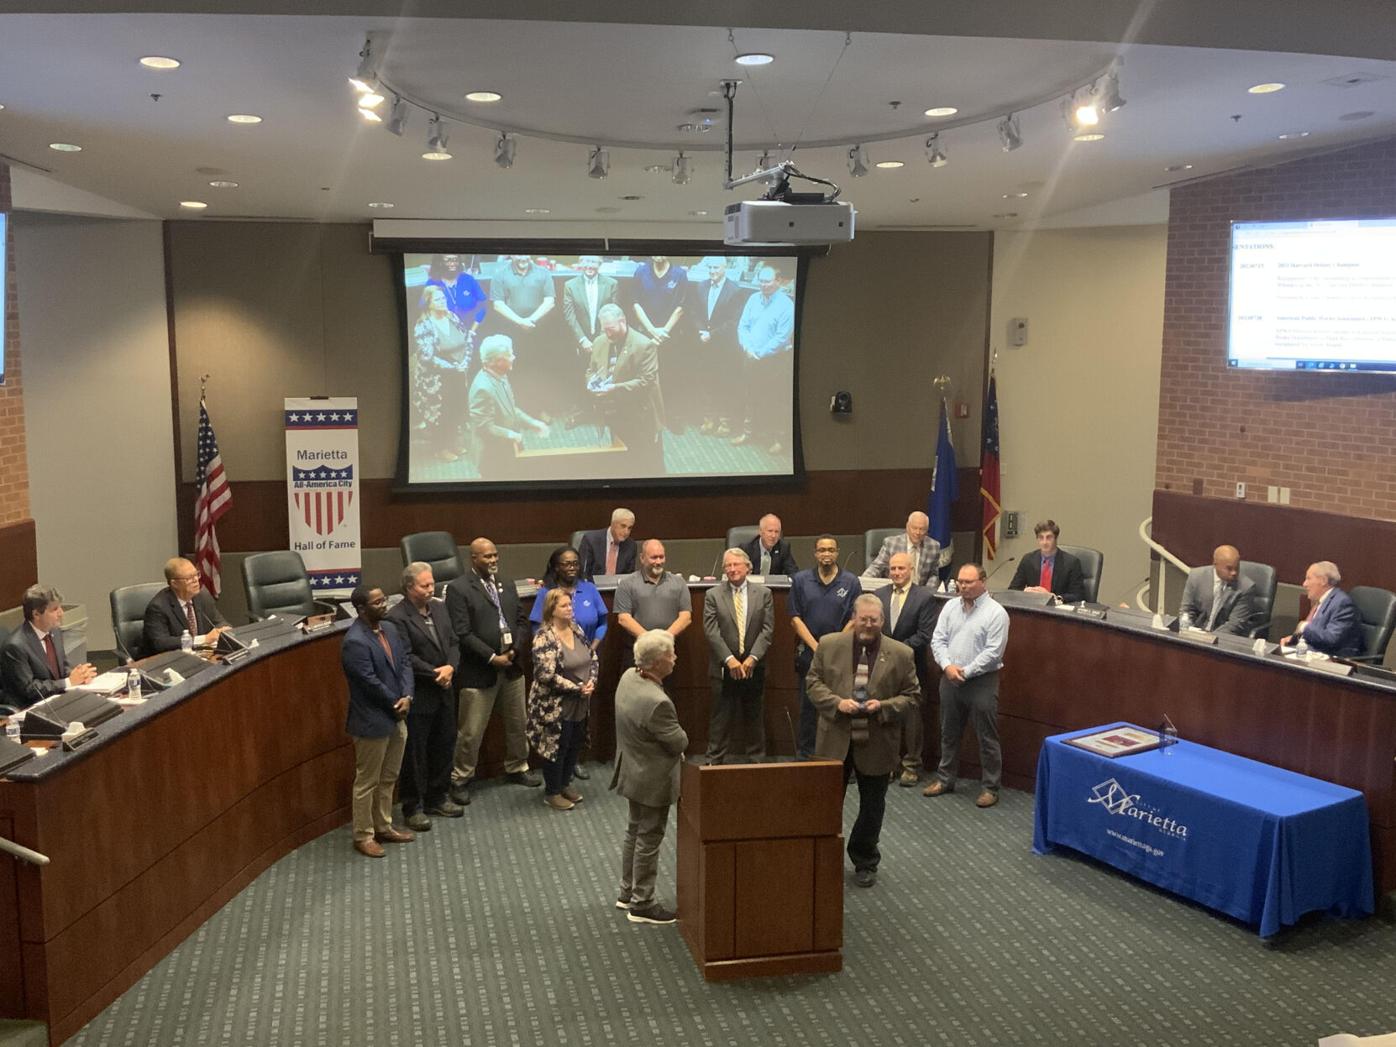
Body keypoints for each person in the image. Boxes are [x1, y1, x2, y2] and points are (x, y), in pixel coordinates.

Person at [806, 594, 920, 888]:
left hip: (877, 741)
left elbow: (912, 697)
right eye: (863, 619)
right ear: (854, 618)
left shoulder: (902, 653)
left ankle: (865, 859)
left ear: (882, 621)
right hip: (835, 740)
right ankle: (825, 858)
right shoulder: (829, 645)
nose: (868, 625)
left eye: (874, 620)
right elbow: (813, 683)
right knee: (826, 804)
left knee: (873, 806)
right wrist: (835, 703)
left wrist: (882, 707)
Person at [444, 537, 541, 805]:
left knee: (517, 723)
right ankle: (461, 778)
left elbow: (521, 621)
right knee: (471, 730)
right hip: (478, 671)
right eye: (487, 557)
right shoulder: (459, 589)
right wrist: (491, 657)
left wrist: (514, 651)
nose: (493, 560)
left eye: (495, 555)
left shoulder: (506, 584)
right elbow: (461, 632)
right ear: (473, 558)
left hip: (510, 667)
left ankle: (517, 766)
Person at [611, 628, 688, 924]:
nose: (675, 658)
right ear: (656, 663)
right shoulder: (658, 703)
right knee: (649, 837)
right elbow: (679, 742)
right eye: (670, 654)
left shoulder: (629, 677)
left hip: (632, 769)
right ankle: (642, 904)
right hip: (652, 778)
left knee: (634, 830)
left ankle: (627, 892)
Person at [387, 562, 464, 832]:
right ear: (409, 587)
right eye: (425, 585)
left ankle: (437, 797)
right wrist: (435, 673)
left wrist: (451, 667)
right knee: (416, 752)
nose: (431, 589)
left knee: (444, 743)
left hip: (445, 688)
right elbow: (405, 656)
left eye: (432, 584)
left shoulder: (441, 608)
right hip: (421, 693)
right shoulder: (396, 617)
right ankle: (413, 806)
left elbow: (454, 642)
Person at [926, 562, 1011, 808]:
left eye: (968, 582)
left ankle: (990, 787)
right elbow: (938, 640)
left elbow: (993, 653)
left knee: (987, 736)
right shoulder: (950, 607)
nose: (961, 586)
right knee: (948, 732)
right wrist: (947, 666)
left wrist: (965, 671)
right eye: (959, 582)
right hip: (950, 678)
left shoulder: (996, 613)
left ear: (982, 582)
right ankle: (945, 779)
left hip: (982, 681)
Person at [340, 585, 415, 858]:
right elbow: (368, 682)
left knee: (389, 776)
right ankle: (363, 835)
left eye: (384, 599)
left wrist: (407, 695)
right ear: (361, 609)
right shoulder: (354, 641)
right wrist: (397, 702)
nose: (384, 605)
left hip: (398, 713)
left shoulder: (390, 629)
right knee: (367, 781)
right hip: (372, 719)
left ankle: (384, 825)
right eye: (378, 602)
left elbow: (405, 662)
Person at [529, 543, 608, 779]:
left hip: (583, 669)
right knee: (559, 736)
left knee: (577, 731)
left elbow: (603, 621)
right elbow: (537, 628)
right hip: (559, 673)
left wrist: (592, 648)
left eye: (575, 563)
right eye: (566, 563)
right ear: (556, 567)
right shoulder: (547, 593)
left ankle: (571, 768)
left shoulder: (589, 589)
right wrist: (557, 652)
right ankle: (556, 784)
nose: (572, 567)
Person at [789, 535, 862, 759]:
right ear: (815, 554)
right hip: (809, 654)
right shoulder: (801, 580)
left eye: (831, 550)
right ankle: (806, 756)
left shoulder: (851, 582)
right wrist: (817, 647)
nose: (826, 554)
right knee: (808, 707)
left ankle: (838, 758)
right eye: (822, 550)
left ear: (837, 553)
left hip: (842, 655)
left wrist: (833, 646)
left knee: (840, 705)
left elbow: (854, 618)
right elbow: (794, 618)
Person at [527, 588, 599, 811]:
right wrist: (577, 688)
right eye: (564, 606)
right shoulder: (543, 637)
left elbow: (592, 657)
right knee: (557, 746)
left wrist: (592, 682)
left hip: (579, 702)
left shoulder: (576, 629)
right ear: (552, 610)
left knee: (574, 744)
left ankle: (565, 784)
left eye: (570, 605)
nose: (570, 609)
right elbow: (545, 675)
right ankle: (552, 792)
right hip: (555, 705)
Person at [702, 548, 775, 764]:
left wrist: (753, 658)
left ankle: (757, 764)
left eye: (736, 565)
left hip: (754, 666)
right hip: (724, 668)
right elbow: (711, 631)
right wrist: (729, 660)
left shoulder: (764, 594)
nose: (732, 569)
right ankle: (713, 763)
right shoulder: (712, 595)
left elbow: (767, 630)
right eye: (728, 566)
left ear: (747, 567)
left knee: (754, 718)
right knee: (720, 719)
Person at [876, 552, 938, 787]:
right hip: (881, 666)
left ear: (911, 569)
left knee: (912, 717)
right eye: (893, 569)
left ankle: (911, 765)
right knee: (885, 715)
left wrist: (895, 651)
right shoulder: (879, 595)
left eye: (901, 568)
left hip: (912, 667)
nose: (896, 573)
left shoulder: (924, 597)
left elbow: (924, 635)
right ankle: (890, 763)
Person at [586, 303, 665, 473]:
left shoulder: (644, 345)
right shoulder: (600, 341)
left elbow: (646, 381)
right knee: (619, 458)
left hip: (639, 415)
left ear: (623, 321)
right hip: (612, 413)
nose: (607, 333)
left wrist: (614, 388)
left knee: (645, 462)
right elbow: (591, 369)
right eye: (604, 329)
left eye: (611, 328)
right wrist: (591, 382)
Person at [733, 265, 795, 454]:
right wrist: (748, 349)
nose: (764, 285)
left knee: (775, 399)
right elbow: (742, 326)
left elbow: (782, 337)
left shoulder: (786, 305)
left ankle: (778, 439)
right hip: (750, 357)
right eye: (761, 280)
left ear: (778, 281)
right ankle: (748, 432)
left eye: (767, 281)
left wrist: (759, 353)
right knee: (750, 396)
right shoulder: (753, 299)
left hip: (774, 361)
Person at [1, 585, 97, 708]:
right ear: (36, 614)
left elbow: (61, 668)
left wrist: (78, 674)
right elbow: (29, 690)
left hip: (57, 700)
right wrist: (68, 682)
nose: (61, 613)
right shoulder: (15, 646)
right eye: (54, 609)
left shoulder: (54, 632)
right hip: (31, 708)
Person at [468, 334, 549, 478]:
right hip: (492, 457)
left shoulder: (500, 375)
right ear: (498, 361)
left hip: (508, 448)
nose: (514, 357)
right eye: (510, 354)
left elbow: (510, 410)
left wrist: (532, 423)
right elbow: (485, 427)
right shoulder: (483, 389)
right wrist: (511, 435)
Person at [412, 284, 475, 462]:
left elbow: (467, 339)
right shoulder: (424, 325)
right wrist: (453, 367)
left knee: (456, 409)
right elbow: (427, 357)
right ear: (428, 303)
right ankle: (440, 448)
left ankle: (452, 443)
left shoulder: (453, 317)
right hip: (435, 379)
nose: (442, 301)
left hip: (457, 374)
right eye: (438, 299)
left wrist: (465, 362)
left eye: (444, 298)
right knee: (441, 414)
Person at [488, 254, 556, 412]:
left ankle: (539, 410)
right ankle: (515, 412)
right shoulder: (500, 274)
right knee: (513, 371)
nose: (523, 258)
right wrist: (520, 321)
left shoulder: (543, 273)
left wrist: (531, 320)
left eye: (525, 253)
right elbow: (498, 305)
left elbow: (550, 301)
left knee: (539, 371)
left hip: (538, 331)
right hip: (511, 332)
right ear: (511, 255)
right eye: (518, 254)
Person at [614, 540, 692, 668]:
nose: (658, 561)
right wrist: (650, 642)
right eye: (654, 557)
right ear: (642, 558)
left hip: (668, 652)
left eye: (661, 557)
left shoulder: (679, 583)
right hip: (638, 652)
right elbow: (624, 619)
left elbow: (686, 617)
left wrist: (664, 640)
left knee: (665, 689)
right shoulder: (627, 584)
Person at [690, 257, 744, 436]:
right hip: (703, 345)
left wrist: (711, 335)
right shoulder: (701, 286)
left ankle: (725, 422)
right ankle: (709, 419)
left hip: (724, 347)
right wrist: (700, 331)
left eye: (716, 267)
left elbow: (733, 322)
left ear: (725, 268)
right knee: (705, 382)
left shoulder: (735, 290)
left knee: (724, 384)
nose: (712, 271)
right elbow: (695, 313)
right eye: (710, 267)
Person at [560, 256, 619, 423]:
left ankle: (602, 413)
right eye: (586, 262)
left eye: (594, 262)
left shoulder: (611, 284)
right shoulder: (570, 285)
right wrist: (583, 340)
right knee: (582, 375)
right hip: (582, 341)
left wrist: (601, 339)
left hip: (605, 338)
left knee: (604, 374)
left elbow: (614, 312)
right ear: (581, 264)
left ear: (599, 265)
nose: (590, 266)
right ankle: (584, 412)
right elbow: (569, 316)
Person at [142, 556, 230, 655]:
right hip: (169, 661)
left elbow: (219, 622)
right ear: (174, 583)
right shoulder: (158, 607)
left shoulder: (202, 597)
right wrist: (204, 639)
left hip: (201, 655)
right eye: (189, 578)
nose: (196, 580)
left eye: (196, 574)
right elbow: (161, 643)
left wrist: (222, 630)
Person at [1281, 561, 1364, 657]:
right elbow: (1315, 633)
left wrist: (1304, 627)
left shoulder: (1342, 603)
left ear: (1323, 581)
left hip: (1331, 659)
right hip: (1312, 653)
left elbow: (1331, 639)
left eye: (1308, 578)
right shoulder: (1322, 601)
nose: (1304, 584)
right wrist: (1293, 639)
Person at [1177, 544, 1257, 634]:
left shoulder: (1246, 587)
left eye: (1237, 568)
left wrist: (1209, 638)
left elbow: (1234, 624)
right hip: (1197, 633)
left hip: (1224, 638)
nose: (1234, 573)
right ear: (1215, 565)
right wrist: (1188, 631)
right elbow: (1186, 610)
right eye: (1229, 568)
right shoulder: (1196, 577)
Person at [1007, 519, 1087, 603]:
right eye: (1041, 538)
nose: (1044, 542)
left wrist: (1055, 597)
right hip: (1032, 607)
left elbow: (1078, 595)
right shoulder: (1028, 560)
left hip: (1057, 610)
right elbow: (1012, 589)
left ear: (1056, 538)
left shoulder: (1071, 563)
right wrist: (1024, 592)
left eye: (1049, 537)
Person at [865, 511, 941, 587]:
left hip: (919, 593)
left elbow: (933, 574)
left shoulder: (933, 546)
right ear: (907, 527)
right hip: (895, 590)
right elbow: (877, 567)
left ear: (927, 530)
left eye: (922, 529)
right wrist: (864, 582)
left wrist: (927, 593)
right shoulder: (891, 544)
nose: (918, 532)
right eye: (914, 528)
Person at [425, 253, 489, 334]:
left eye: (455, 260)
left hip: (471, 331)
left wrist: (472, 330)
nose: (452, 263)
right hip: (443, 333)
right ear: (439, 262)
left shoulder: (468, 280)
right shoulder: (432, 283)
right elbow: (426, 310)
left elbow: (482, 305)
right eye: (448, 260)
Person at [576, 507, 637, 579]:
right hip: (593, 586)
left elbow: (629, 577)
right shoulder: (591, 540)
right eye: (623, 526)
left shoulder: (631, 545)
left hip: (618, 588)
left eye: (629, 528)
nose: (626, 532)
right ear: (612, 524)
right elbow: (583, 572)